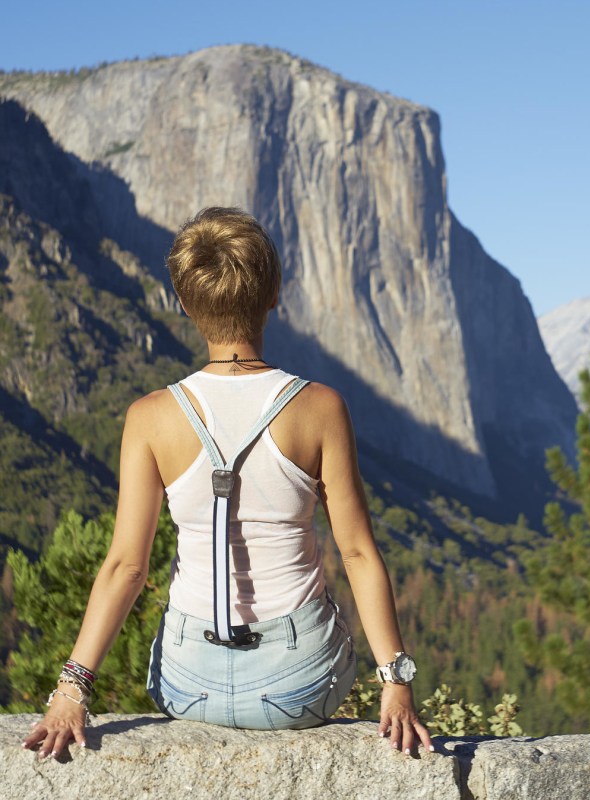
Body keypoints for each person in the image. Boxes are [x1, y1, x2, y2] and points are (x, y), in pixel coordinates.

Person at [22, 207, 432, 759]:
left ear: (186, 305)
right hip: (299, 685)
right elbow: (357, 554)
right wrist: (397, 683)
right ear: (274, 296)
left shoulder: (150, 417)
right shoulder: (320, 408)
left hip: (189, 685)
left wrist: (72, 689)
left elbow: (127, 567)